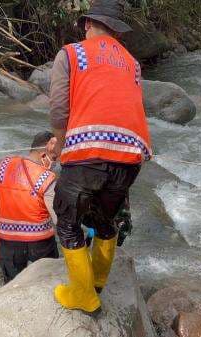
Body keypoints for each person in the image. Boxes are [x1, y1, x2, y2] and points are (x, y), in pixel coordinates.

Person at [49, 0, 152, 313]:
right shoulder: (132, 62)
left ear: (86, 24)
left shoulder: (72, 53)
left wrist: (62, 144)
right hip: (132, 155)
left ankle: (83, 295)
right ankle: (96, 284)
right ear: (116, 30)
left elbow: (58, 109)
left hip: (88, 153)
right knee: (104, 220)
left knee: (68, 219)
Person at [0, 131, 59, 283]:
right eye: (54, 158)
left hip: (8, 241)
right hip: (40, 243)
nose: (55, 163)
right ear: (44, 154)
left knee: (12, 284)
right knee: (44, 283)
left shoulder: (3, 166)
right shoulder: (47, 177)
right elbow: (57, 216)